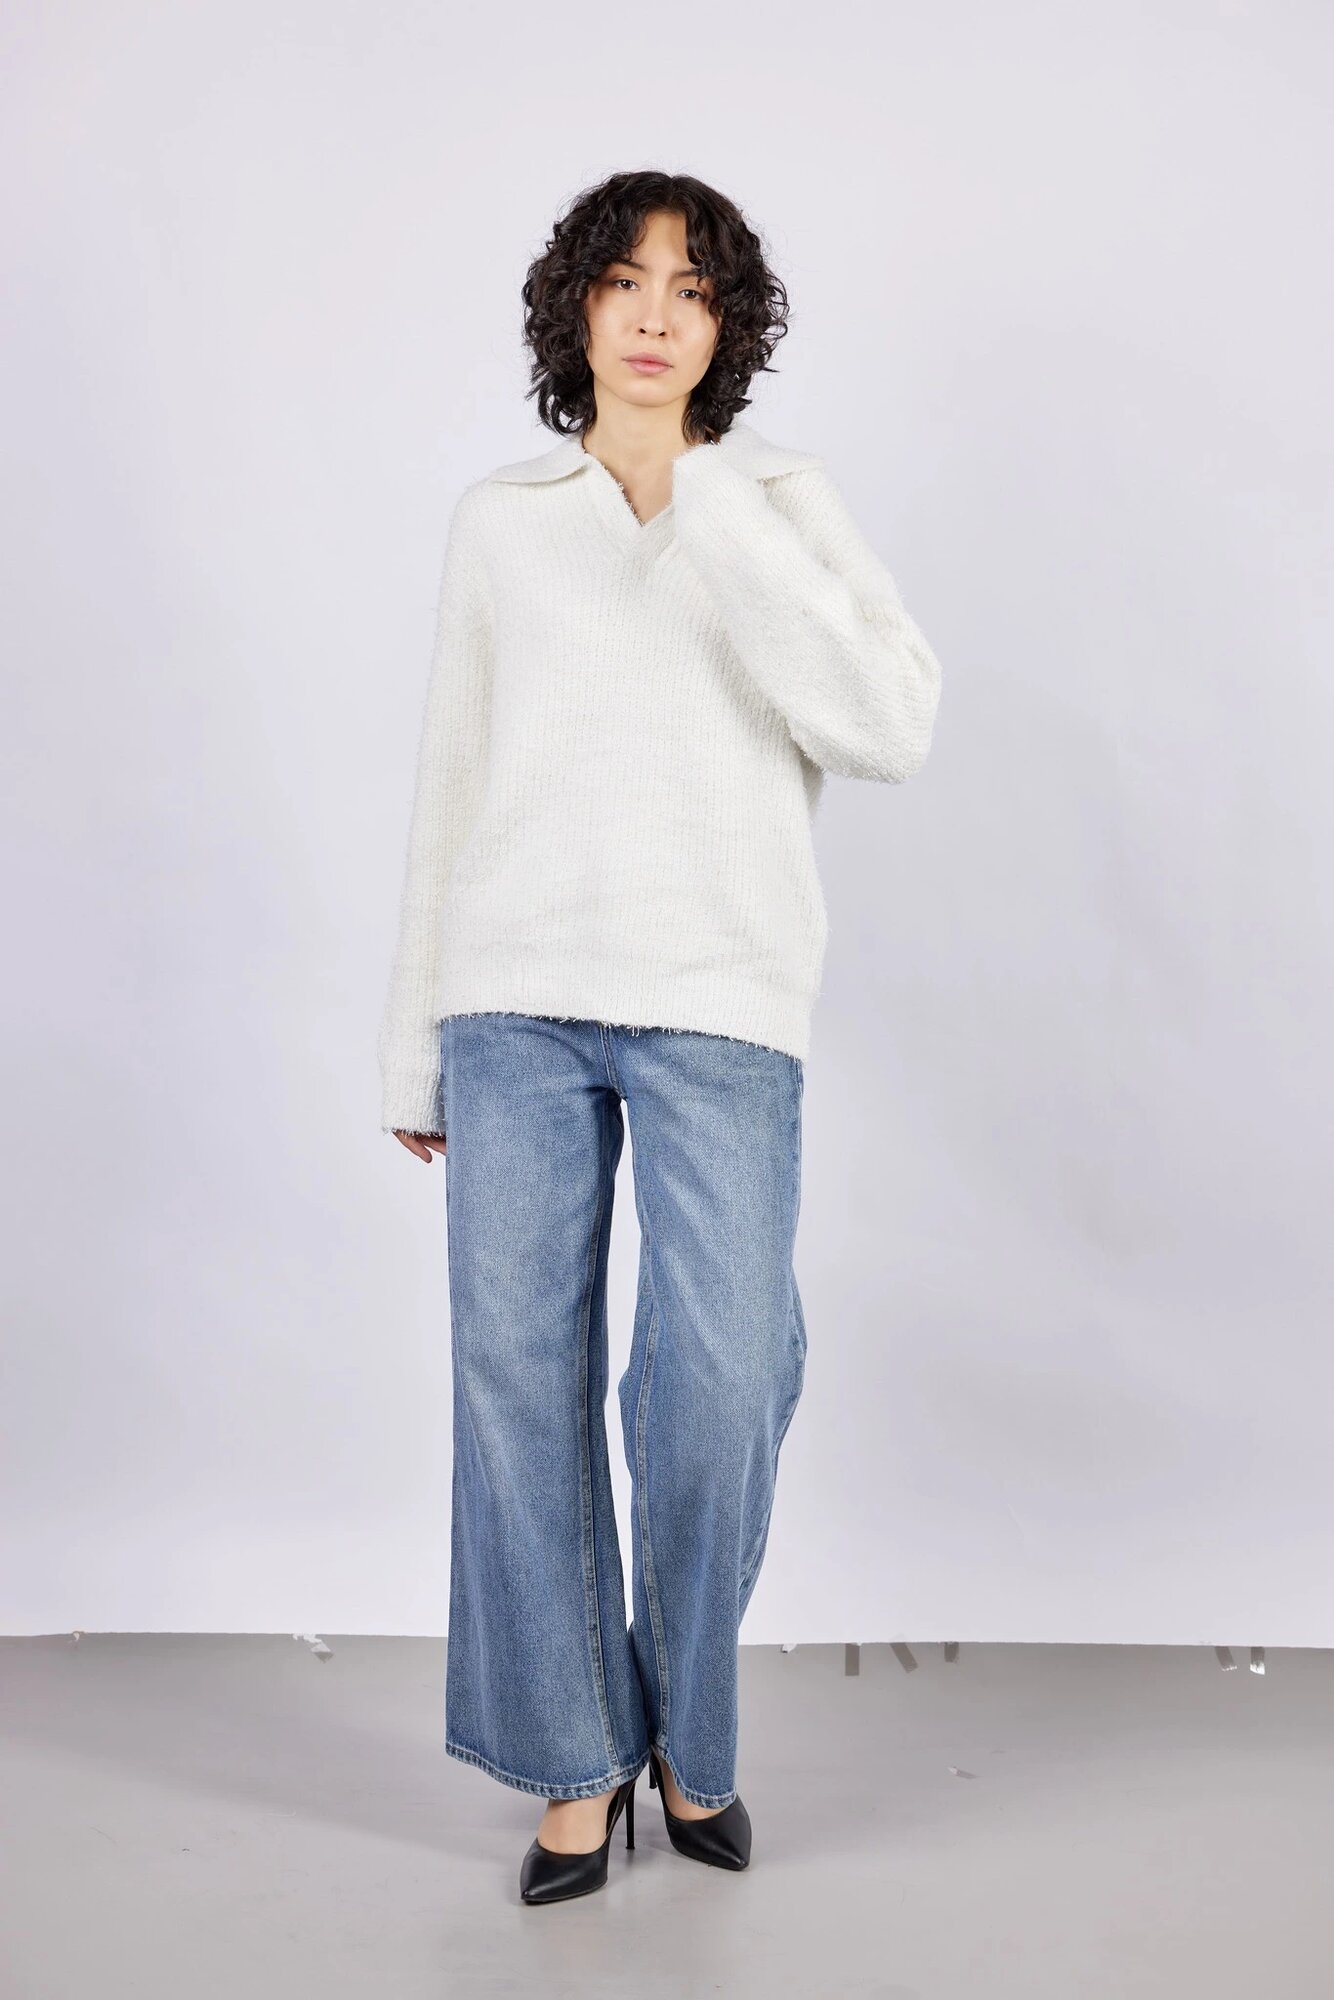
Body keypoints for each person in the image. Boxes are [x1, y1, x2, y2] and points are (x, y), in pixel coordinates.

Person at [377, 169, 943, 1905]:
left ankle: (690, 1728)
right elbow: (452, 779)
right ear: (576, 305)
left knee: (721, 1378)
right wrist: (414, 1044)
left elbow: (887, 723)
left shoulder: (776, 500)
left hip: (719, 1000)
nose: (651, 312)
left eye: (689, 289)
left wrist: (704, 502)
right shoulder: (503, 520)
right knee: (512, 1383)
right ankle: (574, 1765)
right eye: (622, 279)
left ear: (725, 325)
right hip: (513, 1001)